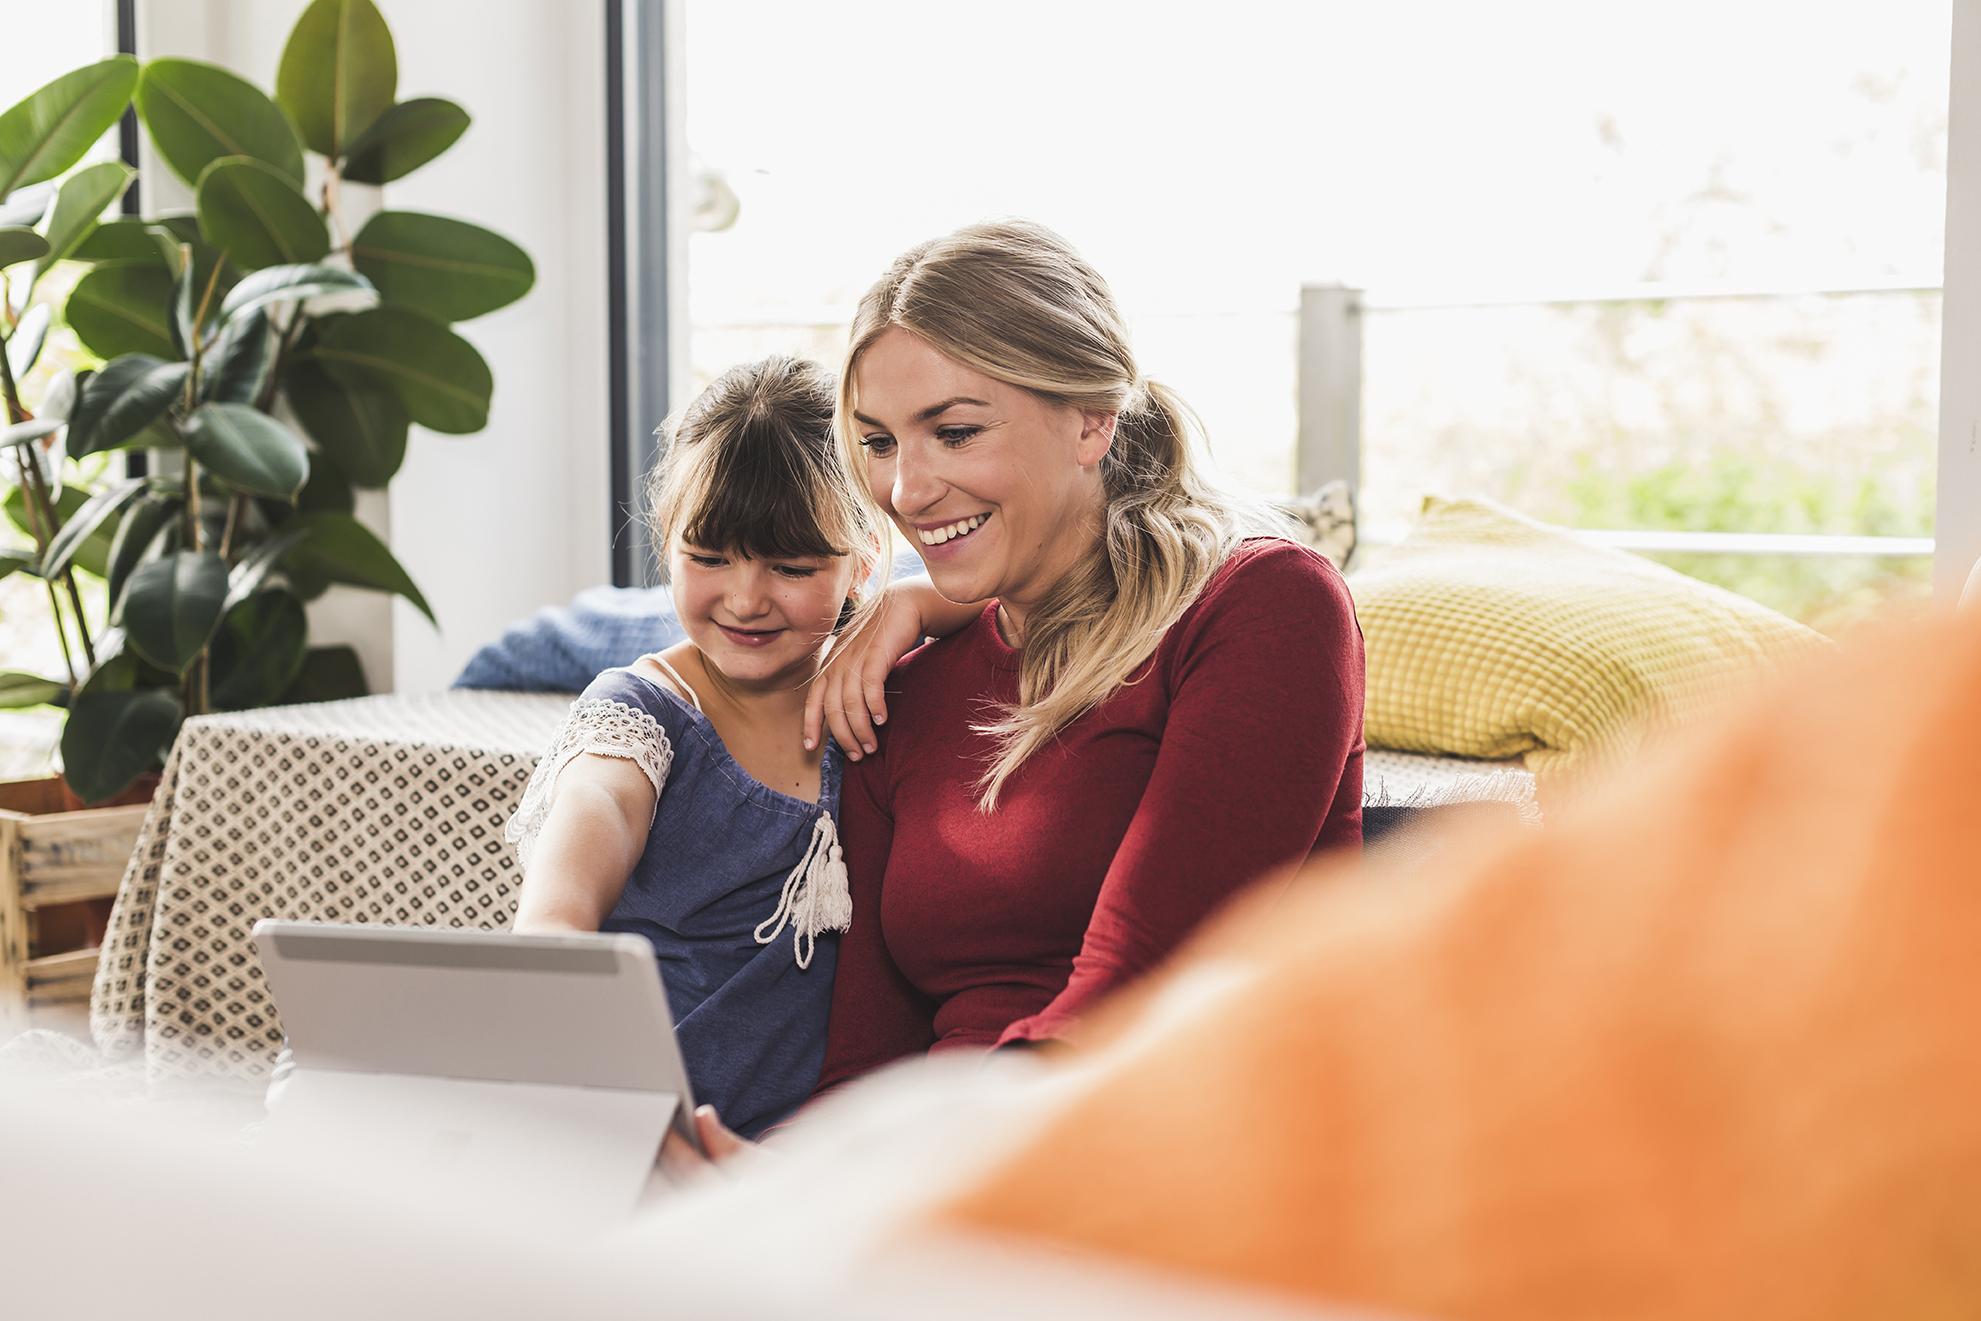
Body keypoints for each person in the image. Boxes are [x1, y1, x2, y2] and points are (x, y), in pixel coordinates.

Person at [671, 221, 1368, 1163]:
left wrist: (854, 1187)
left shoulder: (1262, 608)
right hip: (938, 1188)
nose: (907, 489)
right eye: (876, 443)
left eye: (954, 431)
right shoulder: (898, 689)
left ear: (1091, 420)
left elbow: (1134, 993)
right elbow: (866, 1060)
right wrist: (772, 1172)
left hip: (1184, 1162)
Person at [506, 355, 885, 1139]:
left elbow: (988, 601)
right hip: (634, 1129)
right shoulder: (641, 715)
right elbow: (596, 806)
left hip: (794, 1149)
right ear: (665, 543)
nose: (744, 598)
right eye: (707, 557)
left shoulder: (874, 691)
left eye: (791, 566)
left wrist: (913, 605)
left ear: (863, 564)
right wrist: (552, 931)